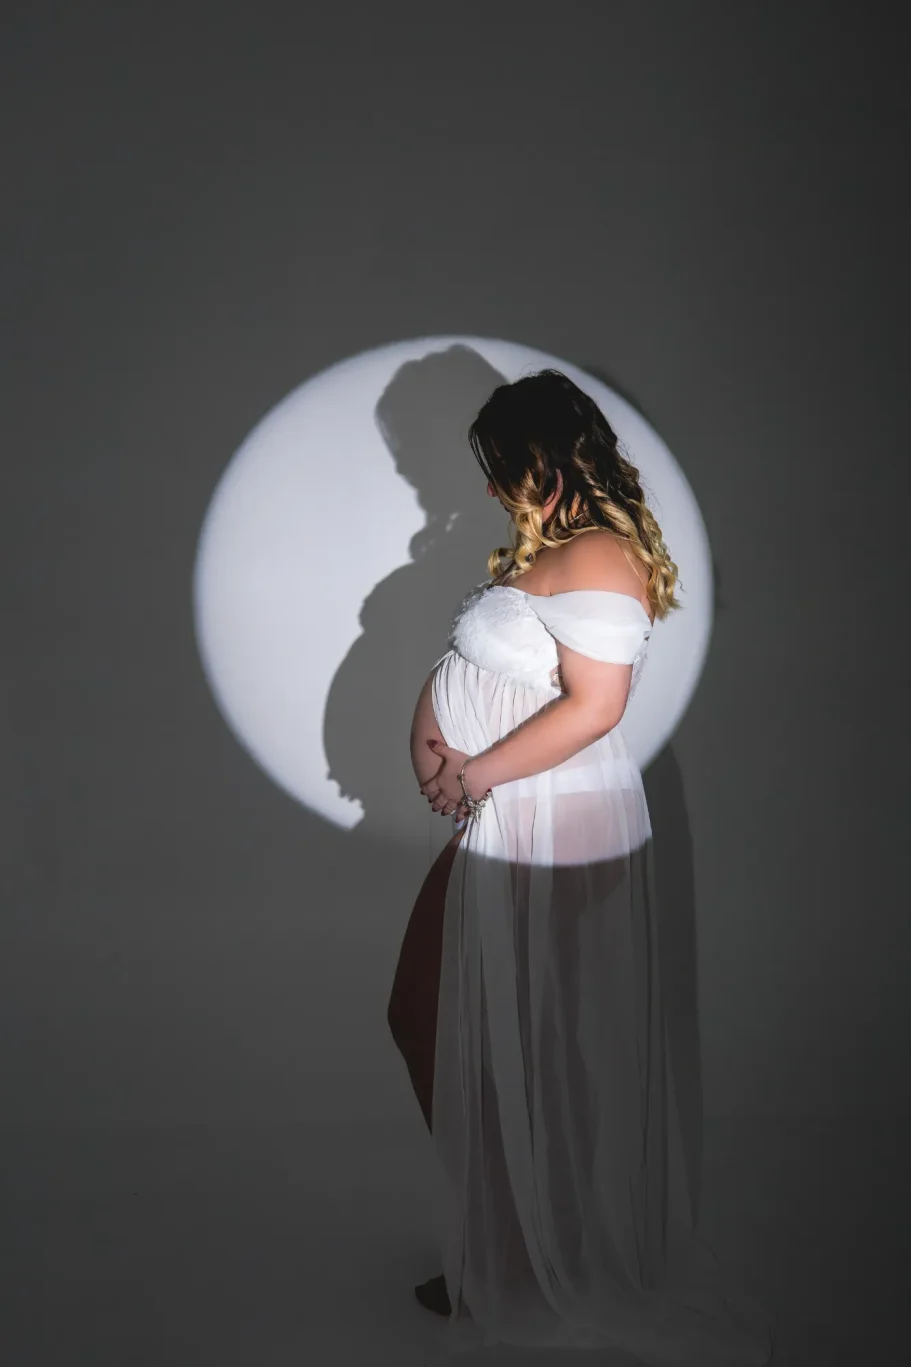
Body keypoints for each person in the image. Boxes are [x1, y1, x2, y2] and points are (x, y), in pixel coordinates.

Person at [387, 370, 773, 1363]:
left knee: (513, 1032)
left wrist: (467, 769)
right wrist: (454, 761)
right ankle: (507, 1238)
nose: (486, 491)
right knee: (457, 1017)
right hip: (515, 812)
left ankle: (519, 1250)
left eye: (498, 469)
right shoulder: (561, 551)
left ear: (545, 460)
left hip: (547, 816)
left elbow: (594, 708)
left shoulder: (599, 553)